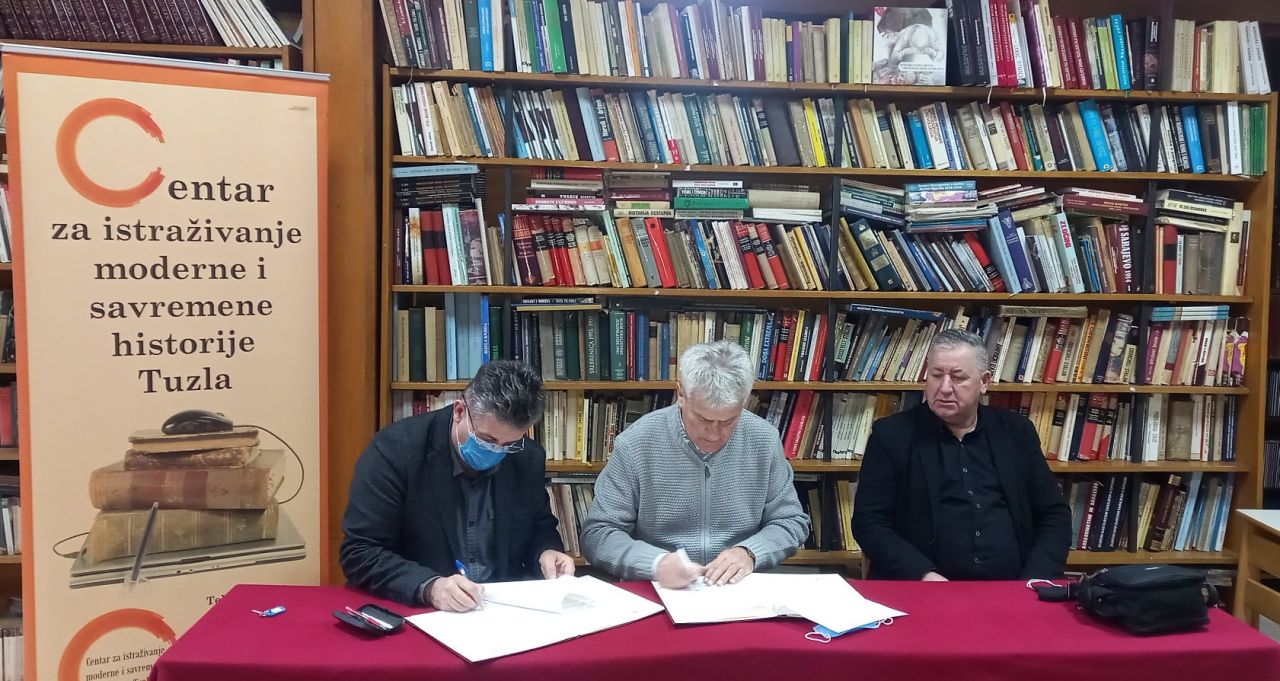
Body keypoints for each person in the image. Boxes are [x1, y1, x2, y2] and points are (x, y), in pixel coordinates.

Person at [340, 360, 574, 609]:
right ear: (460, 411)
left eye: (509, 444)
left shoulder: (527, 457)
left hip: (501, 608)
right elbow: (360, 551)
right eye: (486, 440)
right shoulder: (396, 450)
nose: (497, 451)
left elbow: (540, 528)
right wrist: (429, 587)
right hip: (421, 610)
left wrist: (546, 552)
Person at [581, 341, 810, 588]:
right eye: (703, 419)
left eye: (728, 421)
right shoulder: (636, 443)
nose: (713, 434)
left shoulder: (764, 439)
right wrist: (654, 563)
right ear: (681, 394)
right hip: (660, 587)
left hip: (738, 589)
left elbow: (791, 522)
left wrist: (750, 552)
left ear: (745, 401)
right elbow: (598, 534)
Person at [851, 328, 1072, 581]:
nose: (944, 388)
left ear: (984, 382)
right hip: (922, 586)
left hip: (1013, 586)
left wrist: (1034, 580)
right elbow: (869, 522)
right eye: (936, 375)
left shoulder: (1016, 432)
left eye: (957, 377)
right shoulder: (891, 435)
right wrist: (923, 575)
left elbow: (1054, 514)